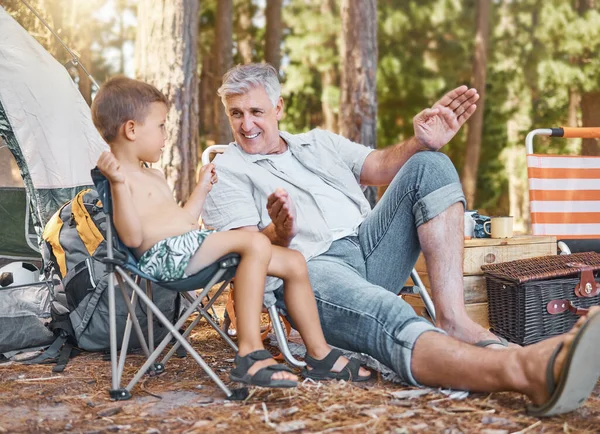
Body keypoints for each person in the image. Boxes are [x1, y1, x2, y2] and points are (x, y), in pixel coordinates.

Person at [201, 63, 600, 416]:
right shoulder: (228, 171)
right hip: (310, 272)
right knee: (390, 315)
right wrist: (279, 233)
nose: (246, 124)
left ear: (279, 108)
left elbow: (378, 166)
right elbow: (246, 252)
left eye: (256, 111)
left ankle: (454, 319)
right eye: (236, 114)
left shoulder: (317, 142)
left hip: (368, 245)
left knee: (430, 163)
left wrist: (420, 141)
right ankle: (523, 370)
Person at [91, 76, 371, 389]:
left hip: (187, 249)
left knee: (293, 262)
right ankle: (250, 352)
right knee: (252, 242)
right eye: (160, 126)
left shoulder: (154, 175)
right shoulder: (120, 178)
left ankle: (319, 355)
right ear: (131, 129)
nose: (166, 135)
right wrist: (116, 184)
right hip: (162, 260)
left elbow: (183, 223)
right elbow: (130, 239)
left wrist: (201, 188)